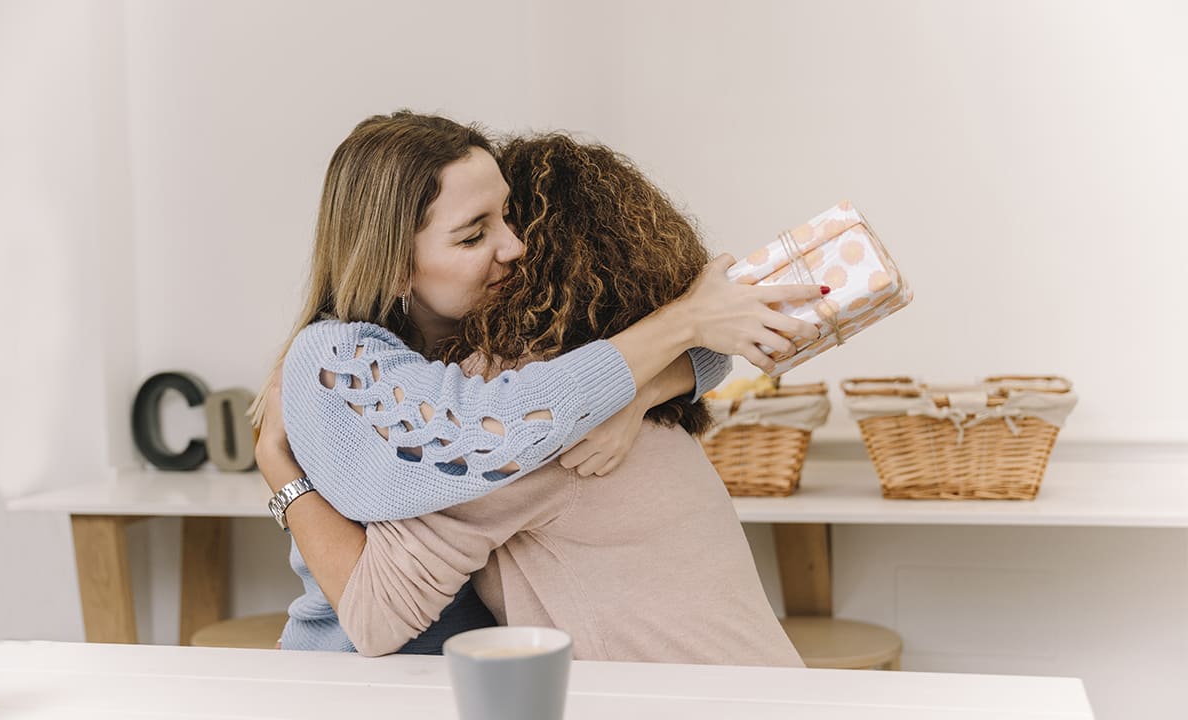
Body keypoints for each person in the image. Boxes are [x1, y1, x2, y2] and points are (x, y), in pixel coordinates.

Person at [254, 112, 823, 654]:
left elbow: (705, 358)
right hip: (351, 669)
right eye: (474, 235)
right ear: (394, 264)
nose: (516, 246)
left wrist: (639, 394)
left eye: (508, 215)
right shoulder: (335, 357)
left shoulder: (479, 343)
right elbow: (490, 427)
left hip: (454, 668)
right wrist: (281, 472)